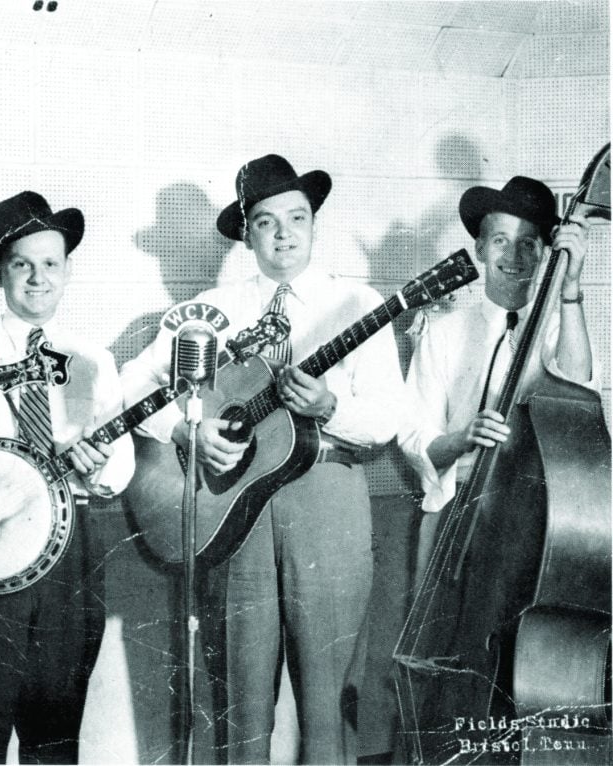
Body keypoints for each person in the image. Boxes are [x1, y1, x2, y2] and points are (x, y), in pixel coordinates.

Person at [120, 154, 406, 764]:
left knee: (329, 700)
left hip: (329, 493)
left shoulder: (357, 302)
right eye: (268, 221)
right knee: (242, 699)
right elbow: (131, 382)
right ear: (246, 232)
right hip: (235, 509)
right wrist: (185, 431)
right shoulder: (213, 308)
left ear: (314, 225)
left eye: (297, 218)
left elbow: (388, 418)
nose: (284, 234)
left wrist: (329, 406)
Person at [0, 190, 134, 764]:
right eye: (22, 264)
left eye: (51, 264)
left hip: (73, 555)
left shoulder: (93, 357)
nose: (38, 278)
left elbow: (119, 471)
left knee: (56, 738)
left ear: (66, 271)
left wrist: (99, 463)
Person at [398, 176, 595, 584]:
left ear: (545, 253)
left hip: (539, 517)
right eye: (501, 240)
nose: (515, 254)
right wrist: (464, 436)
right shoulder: (443, 333)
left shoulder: (561, 329)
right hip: (456, 514)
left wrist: (570, 288)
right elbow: (416, 443)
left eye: (528, 242)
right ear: (480, 249)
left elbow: (579, 393)